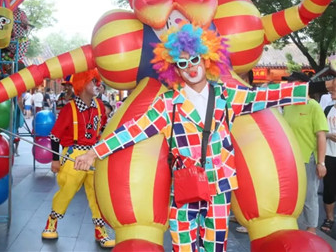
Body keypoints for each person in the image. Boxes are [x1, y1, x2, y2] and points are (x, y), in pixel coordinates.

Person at [74, 23, 317, 252]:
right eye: (182, 63)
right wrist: (93, 153)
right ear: (174, 68)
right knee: (183, 245)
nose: (190, 67)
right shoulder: (167, 103)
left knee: (214, 246)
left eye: (194, 59)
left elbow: (264, 97)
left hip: (219, 186)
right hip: (184, 187)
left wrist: (306, 90)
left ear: (206, 58)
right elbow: (132, 131)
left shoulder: (227, 95)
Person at [42, 69, 115, 248]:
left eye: (97, 82)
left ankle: (100, 229)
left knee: (96, 193)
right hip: (73, 154)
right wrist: (55, 159)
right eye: (92, 82)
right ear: (82, 86)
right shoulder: (70, 109)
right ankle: (52, 221)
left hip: (94, 154)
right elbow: (55, 136)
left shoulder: (99, 106)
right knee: (67, 191)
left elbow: (102, 129)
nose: (96, 85)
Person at [282, 72, 328, 234]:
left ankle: (311, 228)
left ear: (303, 85)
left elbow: (321, 135)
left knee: (309, 196)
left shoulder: (313, 106)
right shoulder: (288, 105)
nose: (289, 86)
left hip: (308, 158)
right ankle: (292, 225)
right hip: (290, 160)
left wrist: (321, 163)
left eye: (292, 83)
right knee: (292, 195)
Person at [320, 80, 336, 234]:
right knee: (329, 189)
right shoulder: (327, 110)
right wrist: (329, 135)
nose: (331, 92)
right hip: (330, 155)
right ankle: (329, 218)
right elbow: (320, 132)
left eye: (333, 90)